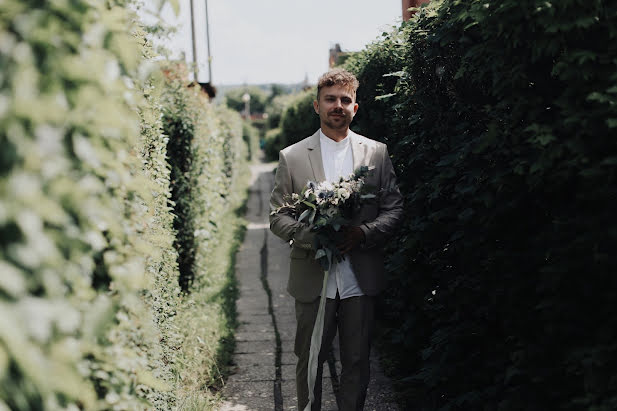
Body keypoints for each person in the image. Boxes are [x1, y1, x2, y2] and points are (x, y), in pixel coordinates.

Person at [269, 68, 403, 410]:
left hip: (360, 275)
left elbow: (393, 208)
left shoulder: (376, 153)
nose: (338, 106)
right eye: (331, 99)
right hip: (314, 275)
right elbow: (277, 216)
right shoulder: (293, 156)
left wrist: (362, 232)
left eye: (346, 100)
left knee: (357, 361)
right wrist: (312, 235)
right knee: (309, 360)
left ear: (355, 108)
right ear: (317, 105)